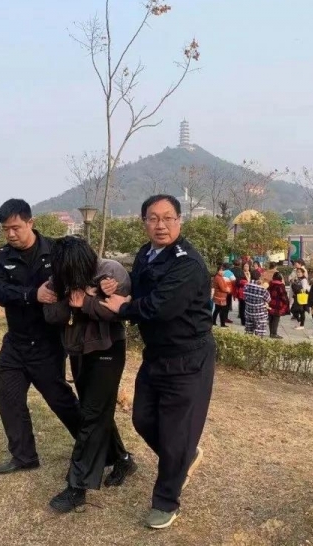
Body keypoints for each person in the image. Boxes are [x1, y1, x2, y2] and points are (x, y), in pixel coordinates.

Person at [101, 194, 215, 530]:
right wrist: (115, 287)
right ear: (144, 222)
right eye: (153, 218)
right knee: (143, 419)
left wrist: (122, 308)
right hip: (157, 355)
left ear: (180, 221)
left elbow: (159, 307)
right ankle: (184, 459)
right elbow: (138, 288)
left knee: (177, 432)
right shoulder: (146, 253)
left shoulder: (187, 263)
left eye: (168, 218)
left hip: (188, 357)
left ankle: (166, 501)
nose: (160, 225)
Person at [42, 237, 136, 513]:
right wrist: (70, 303)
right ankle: (122, 459)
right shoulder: (59, 276)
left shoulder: (112, 271)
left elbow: (119, 314)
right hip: (77, 351)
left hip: (108, 351)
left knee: (93, 415)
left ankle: (77, 486)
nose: (67, 276)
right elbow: (51, 315)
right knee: (94, 411)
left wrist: (87, 301)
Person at [0, 199, 81, 475]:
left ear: (31, 223)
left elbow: (79, 278)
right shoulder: (1, 258)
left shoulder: (57, 251)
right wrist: (32, 295)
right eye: (6, 229)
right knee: (9, 397)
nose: (11, 234)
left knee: (60, 400)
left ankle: (100, 448)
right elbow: (0, 293)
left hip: (48, 343)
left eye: (16, 227)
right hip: (15, 342)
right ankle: (24, 455)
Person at [244, 270, 271, 337]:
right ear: (259, 277)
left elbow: (245, 297)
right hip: (260, 315)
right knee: (259, 335)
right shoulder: (262, 289)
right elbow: (268, 299)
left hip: (249, 313)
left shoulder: (246, 286)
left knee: (248, 334)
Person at [267, 272, 290, 339]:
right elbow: (283, 295)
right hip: (278, 304)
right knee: (276, 319)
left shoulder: (271, 284)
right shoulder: (280, 285)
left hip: (270, 303)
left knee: (271, 318)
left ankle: (271, 332)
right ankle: (274, 333)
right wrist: (286, 302)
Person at [290, 264, 310, 330]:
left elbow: (303, 289)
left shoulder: (304, 280)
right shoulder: (297, 279)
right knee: (293, 310)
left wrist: (295, 286)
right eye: (297, 272)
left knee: (301, 311)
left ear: (303, 273)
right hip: (297, 297)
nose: (298, 273)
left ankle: (302, 325)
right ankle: (299, 322)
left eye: (299, 272)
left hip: (302, 297)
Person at [212, 264, 232, 328]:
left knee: (217, 310)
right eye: (220, 270)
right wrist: (228, 290)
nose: (222, 271)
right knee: (222, 310)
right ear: (218, 271)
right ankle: (222, 324)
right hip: (220, 297)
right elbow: (222, 288)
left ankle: (213, 322)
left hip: (218, 296)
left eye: (222, 270)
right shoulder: (219, 278)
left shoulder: (218, 277)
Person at [235, 262, 251, 326]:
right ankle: (243, 321)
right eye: (245, 266)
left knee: (247, 307)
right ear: (243, 267)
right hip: (242, 293)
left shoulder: (250, 273)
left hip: (249, 292)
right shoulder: (241, 273)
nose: (246, 267)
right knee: (242, 307)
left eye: (247, 266)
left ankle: (247, 320)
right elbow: (238, 282)